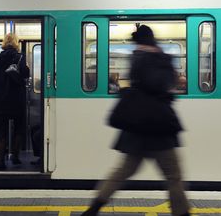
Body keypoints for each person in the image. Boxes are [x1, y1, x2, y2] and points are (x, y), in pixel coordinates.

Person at [81, 25, 190, 216]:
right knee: (174, 176)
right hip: (158, 129)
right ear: (152, 39)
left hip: (136, 130)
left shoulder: (136, 58)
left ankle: (94, 208)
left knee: (122, 171)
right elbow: (160, 85)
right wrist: (166, 64)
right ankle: (182, 214)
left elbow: (140, 85)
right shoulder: (158, 59)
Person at [0, 33, 29, 170]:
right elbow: (25, 74)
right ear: (16, 42)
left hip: (0, 99)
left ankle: (0, 161)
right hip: (16, 98)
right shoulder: (20, 57)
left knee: (1, 131)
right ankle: (15, 156)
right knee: (18, 128)